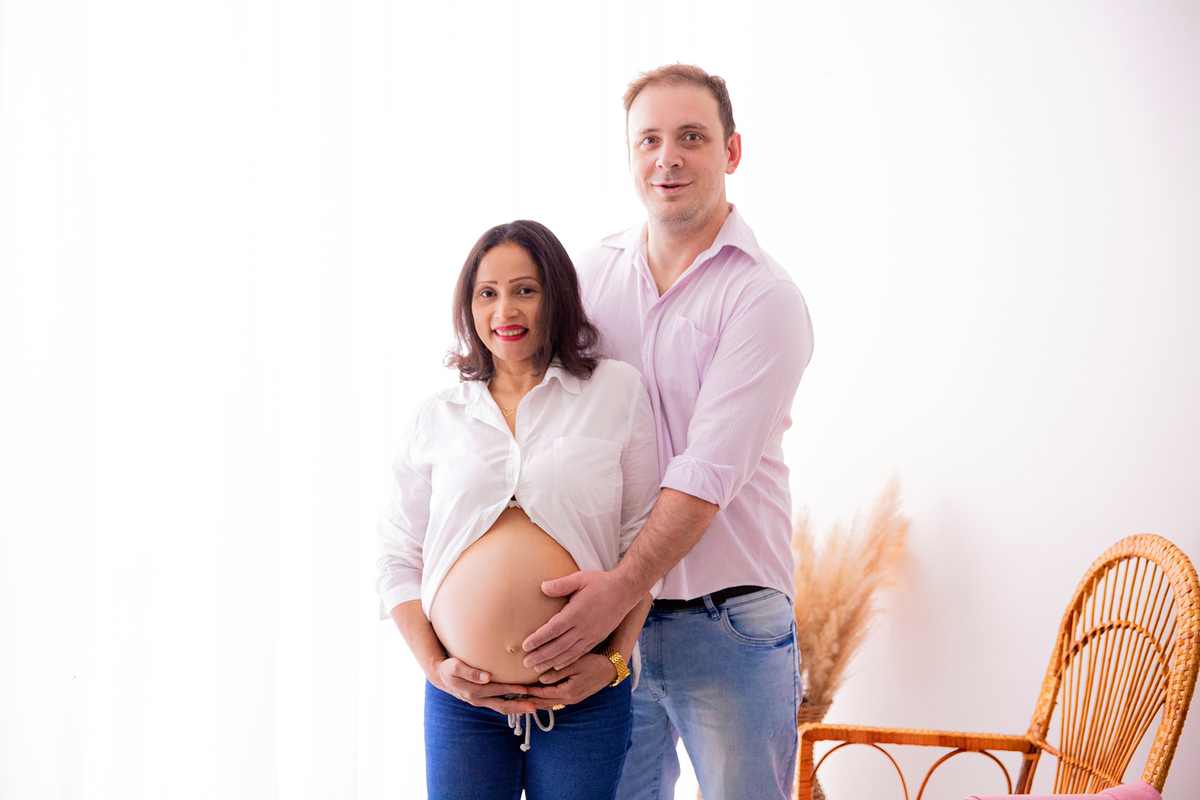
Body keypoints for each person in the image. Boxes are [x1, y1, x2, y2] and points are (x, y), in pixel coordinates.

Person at [520, 65, 815, 800]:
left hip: (729, 624)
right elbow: (540, 422)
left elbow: (705, 471)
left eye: (691, 137)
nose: (667, 157)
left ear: (732, 152)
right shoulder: (588, 277)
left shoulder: (764, 298)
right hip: (609, 619)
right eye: (648, 140)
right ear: (629, 155)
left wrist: (618, 589)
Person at [374, 220, 661, 800]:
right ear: (469, 306)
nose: (506, 308)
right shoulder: (437, 415)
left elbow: (644, 546)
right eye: (488, 292)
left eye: (525, 289)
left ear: (556, 294)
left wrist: (612, 664)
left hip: (583, 695)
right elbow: (396, 558)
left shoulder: (615, 391)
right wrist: (437, 669)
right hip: (463, 701)